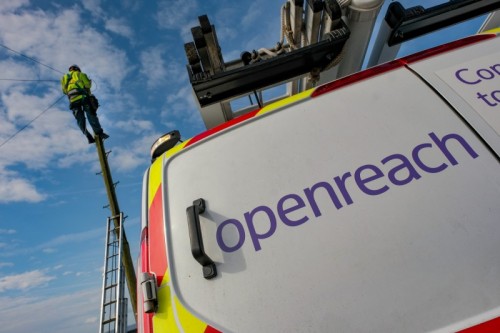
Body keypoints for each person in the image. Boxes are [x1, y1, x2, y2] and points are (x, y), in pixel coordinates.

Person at [61, 65, 109, 144]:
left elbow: (64, 91)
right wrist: (88, 82)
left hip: (73, 100)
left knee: (80, 119)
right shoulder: (81, 74)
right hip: (83, 98)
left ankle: (88, 136)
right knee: (91, 114)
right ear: (78, 69)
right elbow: (87, 85)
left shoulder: (63, 78)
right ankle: (99, 133)